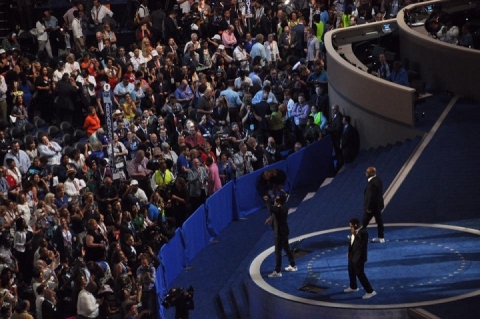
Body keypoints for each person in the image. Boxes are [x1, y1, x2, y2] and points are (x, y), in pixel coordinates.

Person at [264, 194, 296, 278]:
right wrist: (270, 218)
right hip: (284, 231)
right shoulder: (284, 208)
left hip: (279, 233)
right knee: (286, 248)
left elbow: (270, 208)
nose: (275, 200)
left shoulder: (278, 209)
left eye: (276, 200)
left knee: (278, 252)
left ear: (279, 202)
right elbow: (275, 212)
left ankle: (278, 271)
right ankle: (293, 265)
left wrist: (267, 200)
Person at [344, 217, 377, 299]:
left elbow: (362, 245)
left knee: (360, 274)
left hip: (359, 257)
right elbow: (351, 242)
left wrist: (356, 235)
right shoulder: (353, 231)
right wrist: (349, 252)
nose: (350, 228)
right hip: (352, 256)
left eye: (351, 226)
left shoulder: (363, 232)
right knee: (351, 271)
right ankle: (353, 287)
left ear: (356, 225)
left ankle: (370, 291)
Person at [362, 166, 385, 243]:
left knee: (364, 222)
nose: (365, 173)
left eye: (367, 172)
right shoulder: (378, 179)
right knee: (379, 220)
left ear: (372, 173)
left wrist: (368, 208)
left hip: (372, 206)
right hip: (377, 205)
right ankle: (381, 237)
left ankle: (360, 237)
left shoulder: (372, 183)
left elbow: (371, 196)